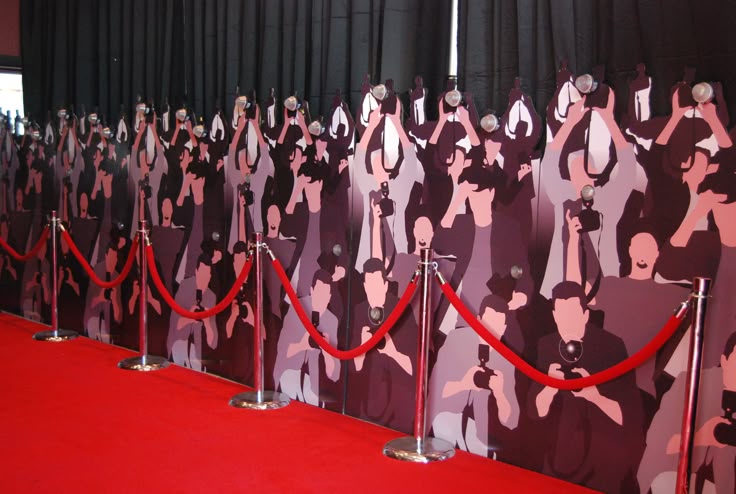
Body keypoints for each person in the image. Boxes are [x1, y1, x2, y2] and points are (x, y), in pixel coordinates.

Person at [531, 281, 644, 494]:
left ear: (585, 315)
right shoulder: (547, 345)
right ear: (554, 316)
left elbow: (630, 417)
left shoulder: (611, 346)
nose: (567, 323)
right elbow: (535, 411)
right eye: (561, 315)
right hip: (559, 452)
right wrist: (549, 386)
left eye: (573, 314)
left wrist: (595, 396)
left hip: (601, 453)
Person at [638, 331, 736, 494]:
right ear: (724, 361)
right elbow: (658, 442)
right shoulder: (690, 384)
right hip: (670, 477)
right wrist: (702, 436)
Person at [428, 294, 521, 460]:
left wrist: (499, 394)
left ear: (504, 328)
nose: (491, 331)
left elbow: (510, 420)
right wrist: (464, 384)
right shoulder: (457, 340)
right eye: (487, 323)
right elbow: (435, 388)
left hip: (481, 438)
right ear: (478, 321)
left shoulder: (506, 360)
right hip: (443, 423)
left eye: (497, 325)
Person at [347, 258, 418, 434]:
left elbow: (414, 368)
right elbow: (355, 367)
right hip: (368, 397)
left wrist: (392, 352)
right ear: (364, 287)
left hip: (399, 396)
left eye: (377, 285)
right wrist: (362, 346)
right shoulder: (359, 311)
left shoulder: (402, 309)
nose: (373, 291)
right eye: (369, 285)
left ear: (386, 286)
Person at [273, 269, 340, 405]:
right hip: (288, 374)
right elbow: (282, 350)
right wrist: (302, 345)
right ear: (312, 290)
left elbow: (334, 374)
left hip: (313, 386)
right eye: (319, 292)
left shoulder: (331, 321)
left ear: (329, 297)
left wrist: (327, 350)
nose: (321, 298)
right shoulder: (297, 309)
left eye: (325, 294)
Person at [167, 253, 218, 371]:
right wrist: (190, 317)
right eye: (201, 273)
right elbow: (175, 326)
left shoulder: (211, 297)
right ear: (196, 272)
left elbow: (213, 343)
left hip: (198, 353)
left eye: (207, 275)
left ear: (210, 276)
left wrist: (207, 322)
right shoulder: (185, 286)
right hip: (179, 343)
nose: (203, 278)